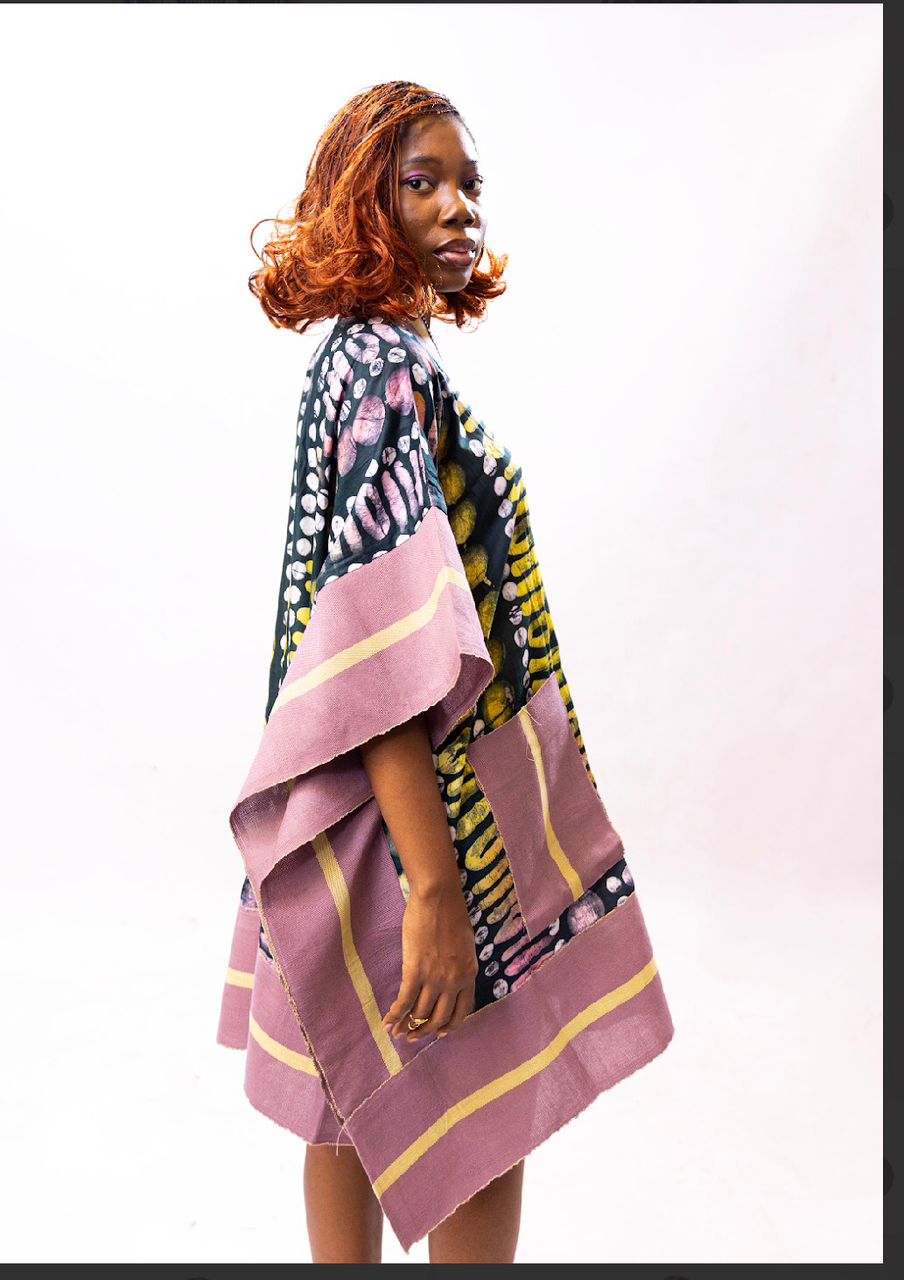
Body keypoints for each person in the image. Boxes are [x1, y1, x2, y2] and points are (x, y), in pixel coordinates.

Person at [216, 81, 674, 1264]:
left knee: (351, 1088)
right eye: (422, 182)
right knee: (476, 1109)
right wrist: (433, 884)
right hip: (413, 815)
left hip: (360, 810)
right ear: (362, 203)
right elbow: (380, 647)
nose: (458, 206)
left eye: (469, 184)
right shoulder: (377, 365)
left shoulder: (380, 357)